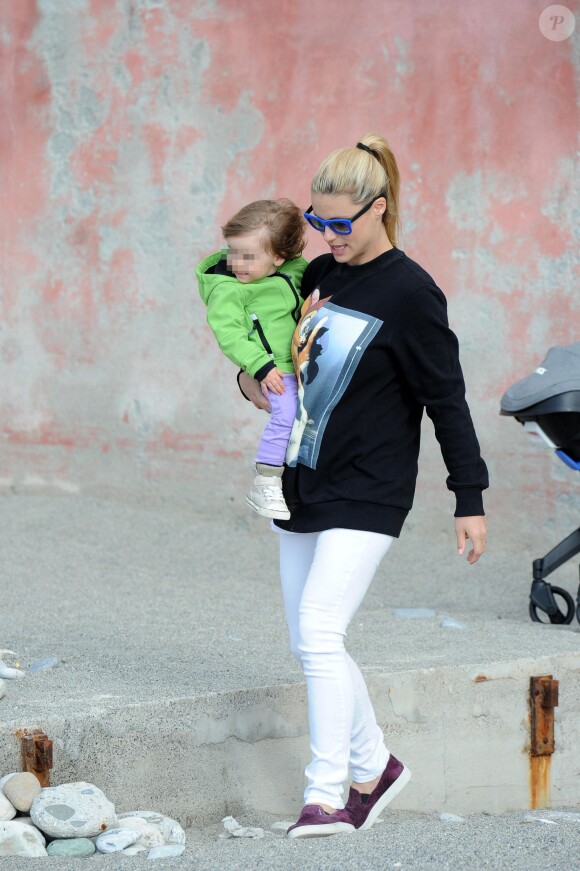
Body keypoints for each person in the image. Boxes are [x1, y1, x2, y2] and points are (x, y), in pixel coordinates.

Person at [238, 133, 489, 839]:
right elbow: (280, 359)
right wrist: (253, 380)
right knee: (308, 637)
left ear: (380, 209)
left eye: (342, 223)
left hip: (372, 487)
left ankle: (328, 794)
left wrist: (468, 497)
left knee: (320, 627)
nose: (328, 235)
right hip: (304, 480)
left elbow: (448, 400)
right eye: (319, 221)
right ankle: (376, 764)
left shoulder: (412, 292)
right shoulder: (320, 274)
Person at [197, 199, 307, 519]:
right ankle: (266, 480)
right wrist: (259, 366)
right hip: (275, 369)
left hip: (304, 365)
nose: (237, 263)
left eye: (248, 256)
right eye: (232, 252)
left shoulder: (295, 270)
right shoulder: (228, 289)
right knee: (285, 413)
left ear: (278, 256)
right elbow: (230, 334)